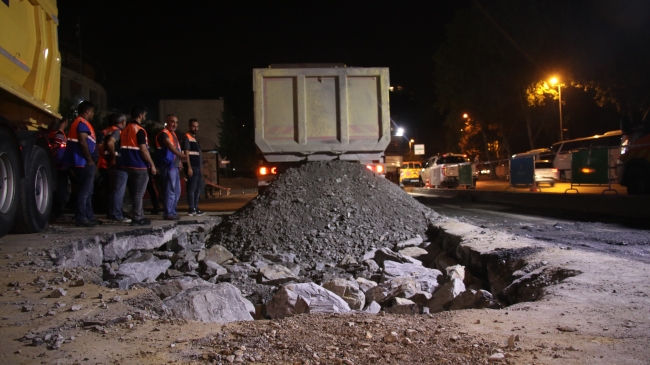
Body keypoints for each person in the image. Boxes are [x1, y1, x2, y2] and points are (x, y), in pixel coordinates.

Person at [113, 105, 157, 226]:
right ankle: (137, 217)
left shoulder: (125, 129)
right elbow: (143, 149)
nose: (144, 117)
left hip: (126, 165)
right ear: (140, 115)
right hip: (139, 165)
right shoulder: (140, 130)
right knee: (139, 193)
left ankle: (139, 215)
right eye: (144, 115)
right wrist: (152, 164)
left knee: (134, 193)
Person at [61, 101, 99, 227]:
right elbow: (82, 142)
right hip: (82, 162)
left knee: (87, 191)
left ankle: (88, 216)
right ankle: (81, 218)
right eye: (92, 111)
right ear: (87, 111)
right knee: (84, 191)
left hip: (81, 162)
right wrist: (89, 160)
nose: (93, 114)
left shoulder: (80, 123)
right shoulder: (82, 123)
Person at [97, 113, 130, 223]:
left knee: (113, 190)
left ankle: (112, 213)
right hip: (118, 165)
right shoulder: (117, 131)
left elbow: (102, 147)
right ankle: (116, 215)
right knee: (118, 191)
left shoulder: (108, 130)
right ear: (122, 122)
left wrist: (107, 157)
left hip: (110, 165)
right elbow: (111, 142)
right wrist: (113, 157)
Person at [155, 114, 186, 220]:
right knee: (170, 189)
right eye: (172, 121)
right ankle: (168, 213)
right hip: (168, 165)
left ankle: (172, 211)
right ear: (167, 122)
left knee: (177, 191)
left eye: (176, 122)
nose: (174, 124)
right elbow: (169, 146)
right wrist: (181, 155)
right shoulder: (164, 134)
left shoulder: (173, 134)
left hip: (175, 166)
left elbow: (176, 148)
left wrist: (179, 161)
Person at [48, 118, 70, 223]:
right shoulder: (60, 134)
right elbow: (56, 149)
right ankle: (58, 214)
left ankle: (55, 213)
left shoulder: (52, 133)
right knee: (61, 191)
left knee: (57, 190)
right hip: (60, 166)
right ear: (65, 122)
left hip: (56, 165)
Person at [181, 118, 205, 216]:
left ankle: (195, 207)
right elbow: (186, 153)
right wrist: (189, 167)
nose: (195, 128)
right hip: (192, 167)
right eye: (194, 126)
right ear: (189, 126)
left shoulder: (194, 139)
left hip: (197, 167)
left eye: (197, 126)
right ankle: (192, 209)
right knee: (192, 188)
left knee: (198, 188)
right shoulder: (187, 138)